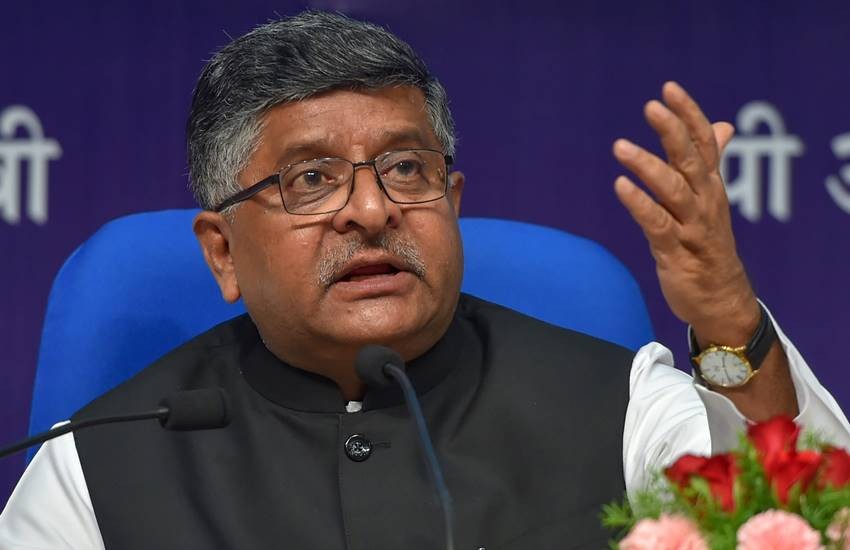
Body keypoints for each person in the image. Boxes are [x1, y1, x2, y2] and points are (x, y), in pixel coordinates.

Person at [1, 10, 848, 549]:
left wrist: (728, 318)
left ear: (453, 201)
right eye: (312, 179)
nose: (372, 210)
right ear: (223, 252)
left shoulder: (622, 407)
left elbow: (797, 527)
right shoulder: (98, 465)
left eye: (407, 168)